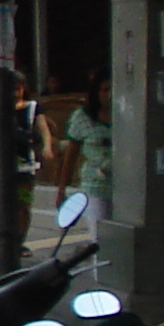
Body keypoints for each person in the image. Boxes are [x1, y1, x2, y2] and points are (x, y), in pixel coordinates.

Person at [59, 75, 113, 224]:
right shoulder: (82, 117)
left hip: (125, 187)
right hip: (95, 187)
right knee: (98, 236)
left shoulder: (129, 115)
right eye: (105, 90)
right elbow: (71, 155)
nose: (109, 94)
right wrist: (62, 190)